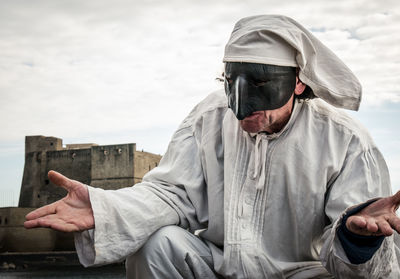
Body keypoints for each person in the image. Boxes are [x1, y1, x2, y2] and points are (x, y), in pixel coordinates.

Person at [24, 15, 400, 278]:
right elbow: (171, 194)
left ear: (298, 82)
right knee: (157, 245)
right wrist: (104, 209)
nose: (239, 104)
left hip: (304, 272)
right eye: (230, 81)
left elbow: (359, 253)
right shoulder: (209, 117)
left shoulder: (345, 140)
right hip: (224, 266)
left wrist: (356, 236)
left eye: (259, 83)